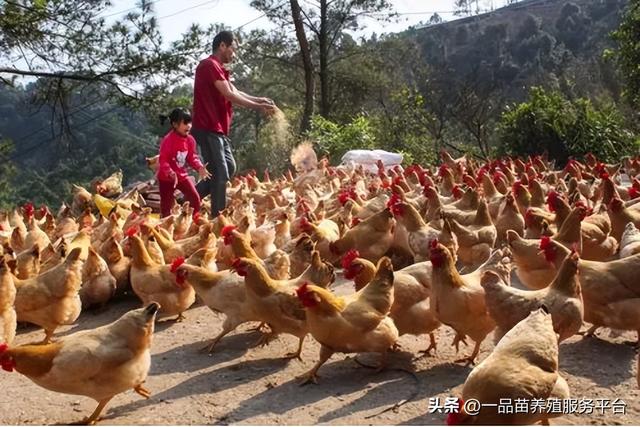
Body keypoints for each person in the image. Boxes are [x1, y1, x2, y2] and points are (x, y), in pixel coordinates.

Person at [192, 30, 276, 217]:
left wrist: (260, 100)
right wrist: (258, 107)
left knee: (228, 167)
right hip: (208, 126)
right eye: (233, 48)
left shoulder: (220, 69)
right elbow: (229, 94)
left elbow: (235, 92)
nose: (234, 53)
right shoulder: (208, 65)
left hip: (218, 129)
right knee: (221, 172)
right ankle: (218, 217)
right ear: (222, 45)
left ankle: (190, 197)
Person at [157, 108, 212, 218]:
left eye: (190, 122)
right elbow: (163, 160)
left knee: (195, 198)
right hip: (166, 179)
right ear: (175, 124)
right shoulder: (168, 140)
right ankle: (165, 228)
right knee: (166, 208)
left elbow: (192, 157)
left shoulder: (190, 140)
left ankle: (194, 222)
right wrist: (170, 172)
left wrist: (200, 167)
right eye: (185, 123)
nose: (189, 126)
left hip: (181, 176)